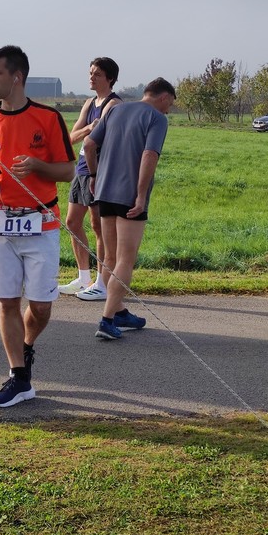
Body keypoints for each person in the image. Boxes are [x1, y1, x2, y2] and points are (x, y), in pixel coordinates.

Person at [0, 45, 75, 407]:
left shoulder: (47, 118)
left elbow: (68, 170)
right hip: (0, 223)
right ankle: (19, 377)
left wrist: (38, 166)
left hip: (41, 224)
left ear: (17, 76)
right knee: (7, 302)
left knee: (41, 306)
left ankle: (26, 347)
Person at [82, 78, 175, 341]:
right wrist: (141, 195)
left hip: (104, 192)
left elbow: (89, 145)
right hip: (129, 196)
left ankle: (120, 311)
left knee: (110, 257)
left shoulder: (114, 109)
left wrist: (93, 175)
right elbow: (149, 155)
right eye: (170, 103)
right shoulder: (157, 118)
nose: (169, 109)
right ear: (164, 98)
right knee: (125, 259)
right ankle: (108, 319)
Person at [59, 57, 122, 300]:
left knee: (99, 227)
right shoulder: (89, 103)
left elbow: (100, 136)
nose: (91, 77)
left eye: (97, 74)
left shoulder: (113, 103)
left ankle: (101, 283)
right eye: (91, 73)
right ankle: (83, 277)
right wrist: (88, 128)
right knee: (72, 222)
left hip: (102, 171)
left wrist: (90, 130)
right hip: (82, 169)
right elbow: (71, 137)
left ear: (110, 78)